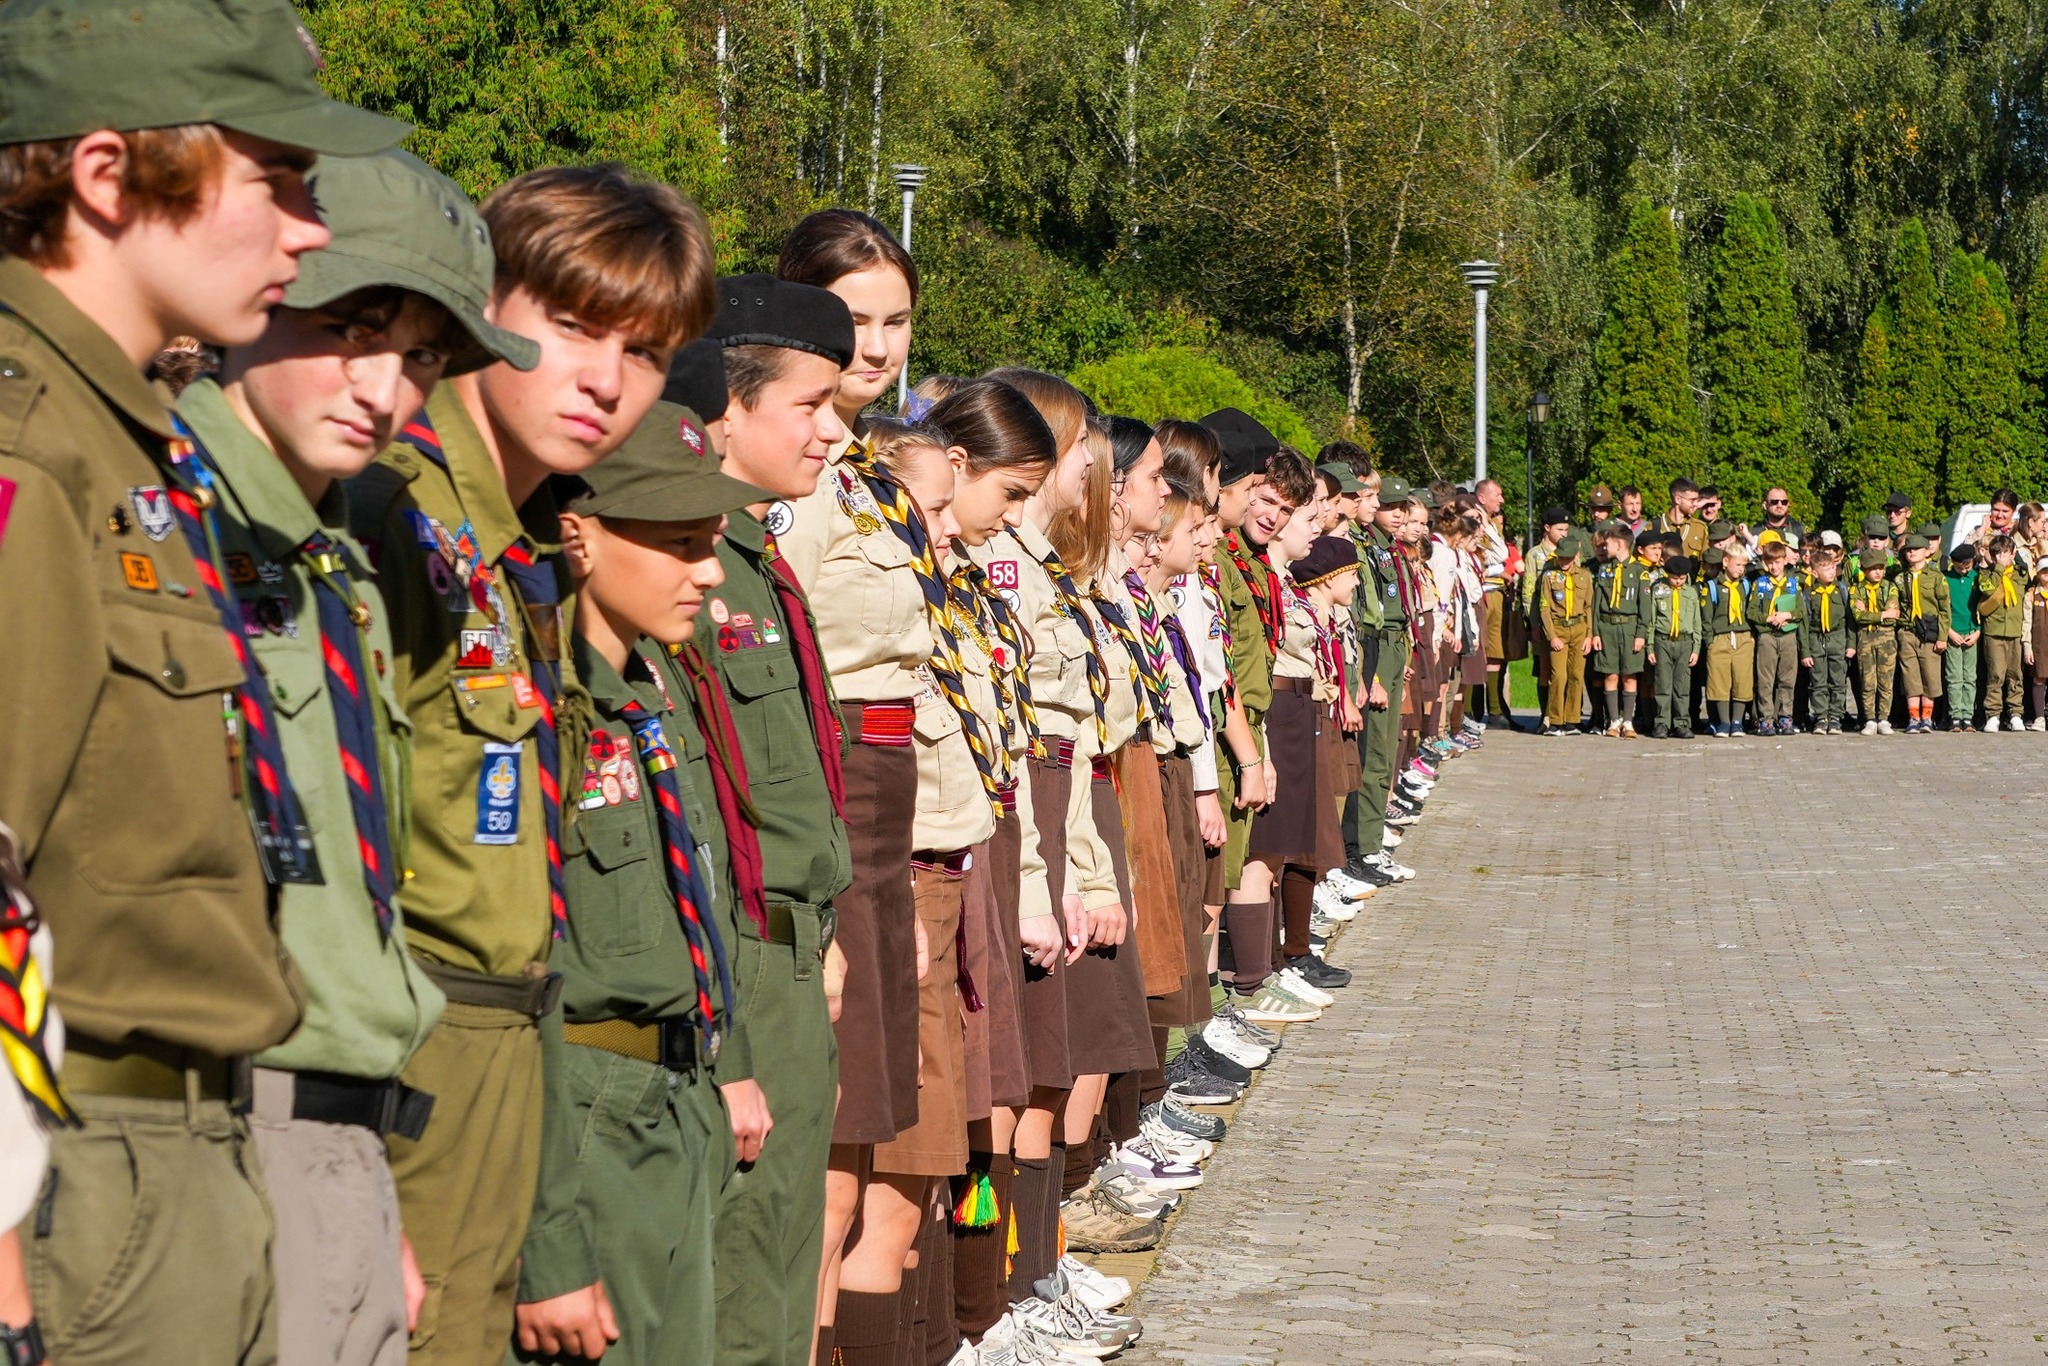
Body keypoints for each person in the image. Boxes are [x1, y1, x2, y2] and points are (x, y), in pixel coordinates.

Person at [0, 3, 408, 1358]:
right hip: (83, 1169)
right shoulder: (31, 445)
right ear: (107, 176)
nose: (308, 228)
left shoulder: (128, 445)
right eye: (276, 177)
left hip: (188, 1155)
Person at [176, 146, 538, 1366]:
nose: (385, 389)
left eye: (424, 359)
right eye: (351, 330)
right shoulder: (160, 526)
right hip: (206, 1133)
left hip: (343, 1136)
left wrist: (363, 1187)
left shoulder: (337, 562)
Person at [347, 163, 712, 1366]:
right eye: (569, 329)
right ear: (480, 306)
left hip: (505, 1064)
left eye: (646, 354)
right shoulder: (389, 514)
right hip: (406, 1069)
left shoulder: (520, 548)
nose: (607, 382)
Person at [515, 406, 765, 1365]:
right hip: (585, 1111)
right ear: (580, 535)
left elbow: (695, 893)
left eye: (713, 543)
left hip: (676, 1092)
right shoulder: (537, 706)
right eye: (679, 544)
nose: (710, 570)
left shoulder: (650, 692)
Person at [690, 272, 855, 1366]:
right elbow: (696, 809)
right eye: (811, 406)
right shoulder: (692, 565)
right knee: (738, 1289)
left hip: (792, 958)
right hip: (735, 965)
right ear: (728, 407)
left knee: (782, 1272)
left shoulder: (758, 561)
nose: (836, 434)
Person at [1590, 523, 1649, 737]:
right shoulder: (1605, 570)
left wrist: (1641, 635)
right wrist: (1595, 632)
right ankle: (1613, 721)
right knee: (1610, 673)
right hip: (1607, 627)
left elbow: (1645, 608)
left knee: (1630, 675)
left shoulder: (1639, 572)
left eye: (1607, 544)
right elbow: (1596, 604)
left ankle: (1629, 722)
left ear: (1619, 544)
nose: (1604, 548)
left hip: (1630, 627)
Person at [1537, 533, 1593, 736]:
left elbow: (1589, 607)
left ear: (1576, 556)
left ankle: (1572, 720)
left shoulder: (1585, 576)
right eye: (1561, 557)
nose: (1564, 562)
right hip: (1558, 629)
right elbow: (1544, 607)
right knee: (1558, 676)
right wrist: (1552, 636)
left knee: (1576, 675)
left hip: (1579, 629)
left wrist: (1589, 634)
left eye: (1568, 558)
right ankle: (1555, 720)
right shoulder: (1549, 576)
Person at [1748, 540, 1803, 735]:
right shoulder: (1759, 584)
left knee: (1787, 679)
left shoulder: (1792, 583)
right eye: (1770, 562)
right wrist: (1768, 618)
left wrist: (1787, 615)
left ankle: (1786, 717)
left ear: (1785, 561)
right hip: (1767, 637)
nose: (1774, 566)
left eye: (1778, 562)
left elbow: (1801, 610)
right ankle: (1766, 719)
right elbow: (1751, 611)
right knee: (1765, 680)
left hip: (1788, 635)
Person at [1701, 545, 1756, 737]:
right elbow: (1706, 618)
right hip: (1720, 639)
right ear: (1725, 562)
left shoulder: (1746, 586)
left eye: (1744, 565)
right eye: (1737, 564)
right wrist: (1710, 641)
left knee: (1742, 679)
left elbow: (1750, 612)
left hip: (1742, 637)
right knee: (1719, 680)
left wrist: (1751, 637)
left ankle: (1737, 721)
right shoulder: (1712, 587)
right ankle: (1723, 722)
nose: (1741, 569)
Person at [1800, 546, 1854, 736]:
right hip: (1816, 640)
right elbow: (1804, 624)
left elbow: (1850, 619)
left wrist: (1851, 644)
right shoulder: (1807, 594)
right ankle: (1821, 717)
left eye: (1833, 568)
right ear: (1814, 572)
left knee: (1838, 681)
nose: (1832, 572)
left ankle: (1836, 717)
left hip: (1837, 639)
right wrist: (1805, 652)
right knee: (1818, 682)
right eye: (1826, 569)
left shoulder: (1842, 590)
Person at [1974, 535, 2026, 731]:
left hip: (2015, 630)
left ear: (2012, 554)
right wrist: (1998, 568)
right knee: (1995, 674)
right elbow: (1987, 590)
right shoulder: (1986, 574)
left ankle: (2015, 713)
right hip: (1994, 631)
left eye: (2005, 553)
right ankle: (1993, 714)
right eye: (1997, 553)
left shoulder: (2021, 575)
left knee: (2016, 674)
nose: (2001, 557)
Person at [1896, 534, 1946, 734]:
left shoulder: (1936, 577)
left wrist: (1942, 637)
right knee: (1911, 677)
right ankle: (1913, 718)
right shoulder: (1901, 578)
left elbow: (1944, 609)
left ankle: (1927, 718)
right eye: (1909, 549)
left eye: (1916, 549)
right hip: (1908, 631)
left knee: (1930, 677)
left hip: (1929, 633)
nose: (1912, 552)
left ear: (1926, 552)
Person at [1646, 553, 1700, 739]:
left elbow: (1696, 622)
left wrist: (1696, 648)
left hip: (1685, 642)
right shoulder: (1658, 589)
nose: (1678, 581)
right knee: (1662, 683)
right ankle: (1661, 722)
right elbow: (1652, 620)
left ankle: (1682, 722)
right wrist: (1650, 646)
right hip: (1663, 640)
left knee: (1682, 685)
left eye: (1682, 578)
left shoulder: (1691, 592)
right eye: (1674, 578)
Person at [1851, 546, 1902, 734]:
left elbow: (1893, 615)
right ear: (1864, 569)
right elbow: (1858, 616)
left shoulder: (1890, 587)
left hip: (1887, 639)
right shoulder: (1856, 589)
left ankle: (1884, 718)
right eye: (1873, 568)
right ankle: (1869, 718)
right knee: (1867, 680)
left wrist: (1871, 613)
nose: (1878, 572)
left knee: (1886, 681)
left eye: (1880, 567)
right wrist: (1882, 614)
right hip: (1865, 639)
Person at [1944, 543, 1983, 732]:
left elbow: (1984, 607)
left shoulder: (1977, 578)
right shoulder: (1945, 579)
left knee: (1970, 677)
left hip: (1971, 633)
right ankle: (1955, 716)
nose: (1964, 570)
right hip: (1953, 633)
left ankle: (1967, 716)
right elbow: (1941, 610)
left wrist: (1977, 631)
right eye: (1960, 567)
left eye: (1967, 567)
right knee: (1954, 677)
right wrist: (1949, 632)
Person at [2025, 562, 2048, 729]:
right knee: (2039, 678)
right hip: (2039, 644)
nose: (2046, 573)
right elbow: (2026, 622)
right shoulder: (2032, 594)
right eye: (2043, 570)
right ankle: (2039, 718)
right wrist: (2027, 647)